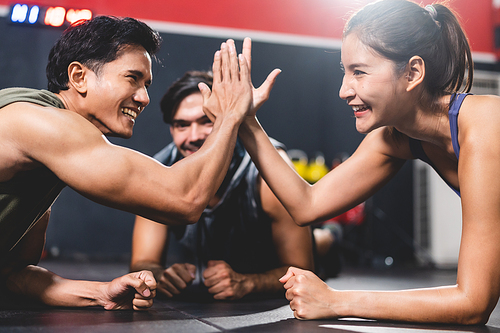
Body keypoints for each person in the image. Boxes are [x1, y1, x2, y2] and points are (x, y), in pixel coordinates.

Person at [220, 0, 500, 325]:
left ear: (412, 73)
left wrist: (336, 301)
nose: (343, 90)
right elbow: (306, 205)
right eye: (345, 72)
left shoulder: (486, 124)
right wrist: (247, 121)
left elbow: (473, 303)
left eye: (359, 72)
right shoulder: (396, 139)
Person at [0, 16, 256, 310]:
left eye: (146, 84)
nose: (144, 97)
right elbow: (185, 199)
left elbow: (12, 275)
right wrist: (230, 115)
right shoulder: (40, 124)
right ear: (79, 77)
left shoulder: (44, 160)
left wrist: (100, 292)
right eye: (132, 78)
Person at [130, 70, 314, 300]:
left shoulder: (267, 173)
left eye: (206, 121)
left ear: (227, 121)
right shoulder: (159, 172)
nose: (194, 136)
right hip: (218, 256)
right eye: (182, 125)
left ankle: (329, 238)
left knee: (322, 244)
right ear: (171, 129)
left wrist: (250, 283)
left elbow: (303, 270)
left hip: (271, 262)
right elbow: (142, 263)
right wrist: (160, 276)